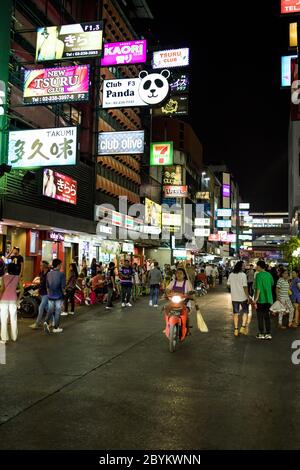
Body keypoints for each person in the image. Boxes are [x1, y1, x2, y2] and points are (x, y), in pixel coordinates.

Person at [227, 261, 251, 337]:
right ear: (240, 266)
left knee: (235, 314)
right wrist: (248, 297)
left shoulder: (231, 274)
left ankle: (236, 330)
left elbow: (228, 285)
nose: (244, 267)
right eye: (243, 266)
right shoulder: (243, 275)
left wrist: (234, 289)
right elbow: (245, 287)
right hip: (243, 297)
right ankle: (243, 327)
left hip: (234, 297)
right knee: (245, 312)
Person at [43, 258, 66, 334]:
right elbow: (63, 287)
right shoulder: (61, 274)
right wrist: (64, 296)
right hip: (58, 296)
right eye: (61, 265)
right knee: (57, 311)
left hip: (50, 295)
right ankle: (56, 327)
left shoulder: (49, 273)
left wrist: (49, 293)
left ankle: (46, 321)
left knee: (50, 310)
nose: (61, 266)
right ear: (58, 265)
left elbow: (47, 286)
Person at [0, 263, 20, 344]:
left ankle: (4, 339)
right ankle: (14, 337)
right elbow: (22, 290)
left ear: (7, 269)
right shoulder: (17, 278)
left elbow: (2, 289)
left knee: (4, 319)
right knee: (13, 319)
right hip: (13, 300)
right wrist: (18, 299)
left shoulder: (3, 277)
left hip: (3, 300)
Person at [254, 260, 274, 340]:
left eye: (256, 266)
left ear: (259, 266)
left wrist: (256, 299)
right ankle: (268, 333)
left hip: (261, 299)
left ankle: (261, 333)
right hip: (268, 298)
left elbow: (258, 288)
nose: (256, 267)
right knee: (267, 316)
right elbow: (272, 283)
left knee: (260, 316)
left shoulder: (258, 275)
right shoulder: (269, 274)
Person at [29, 260, 50, 329]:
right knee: (47, 308)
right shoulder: (41, 273)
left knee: (40, 307)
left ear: (45, 266)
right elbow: (41, 283)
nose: (40, 266)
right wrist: (38, 290)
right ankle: (53, 321)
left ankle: (37, 324)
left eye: (41, 265)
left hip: (47, 293)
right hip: (41, 292)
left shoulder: (49, 273)